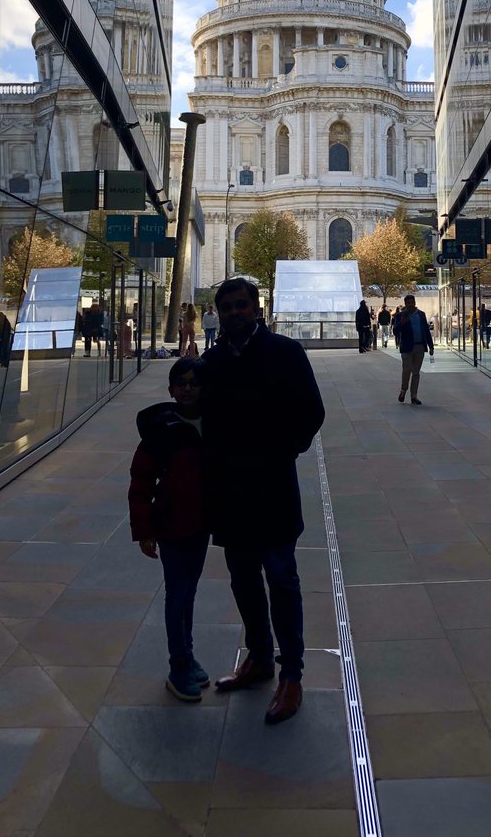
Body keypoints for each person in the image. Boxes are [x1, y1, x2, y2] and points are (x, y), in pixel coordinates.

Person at [201, 277, 325, 725]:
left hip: (272, 486)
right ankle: (259, 657)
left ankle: (291, 674)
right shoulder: (211, 362)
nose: (234, 312)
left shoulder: (285, 353)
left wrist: (284, 449)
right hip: (232, 491)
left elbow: (313, 411)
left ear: (257, 309)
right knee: (242, 578)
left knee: (281, 578)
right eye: (226, 307)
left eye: (241, 305)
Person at [129, 357, 210, 702]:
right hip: (172, 524)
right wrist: (144, 530)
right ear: (171, 390)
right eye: (181, 383)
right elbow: (140, 483)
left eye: (193, 382)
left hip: (201, 524)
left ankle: (187, 657)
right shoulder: (161, 430)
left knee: (187, 592)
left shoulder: (213, 423)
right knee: (178, 595)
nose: (188, 388)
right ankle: (179, 665)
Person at [393, 293, 434, 405]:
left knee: (416, 372)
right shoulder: (400, 316)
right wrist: (402, 322)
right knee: (406, 370)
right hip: (406, 347)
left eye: (412, 302)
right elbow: (395, 332)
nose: (411, 305)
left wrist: (431, 345)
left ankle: (414, 396)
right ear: (405, 304)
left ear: (415, 303)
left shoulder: (421, 315)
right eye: (408, 303)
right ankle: (403, 390)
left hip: (419, 346)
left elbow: (426, 330)